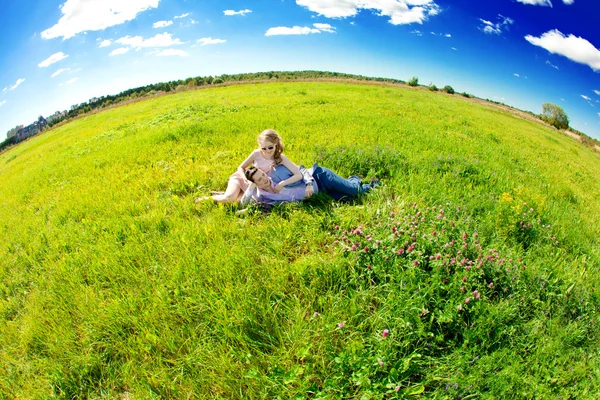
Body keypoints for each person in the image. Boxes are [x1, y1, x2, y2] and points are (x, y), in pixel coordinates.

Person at [196, 129, 302, 203]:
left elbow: (298, 174)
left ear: (276, 144)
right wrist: (245, 179)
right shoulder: (256, 153)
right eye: (263, 148)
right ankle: (205, 199)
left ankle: (224, 193)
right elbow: (240, 167)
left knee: (237, 202)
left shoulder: (280, 157)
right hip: (244, 179)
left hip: (258, 185)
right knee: (229, 199)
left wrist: (283, 183)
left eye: (270, 147)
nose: (267, 151)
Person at [241, 162, 379, 206]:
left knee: (357, 192)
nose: (265, 179)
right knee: (350, 199)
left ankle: (357, 180)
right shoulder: (263, 196)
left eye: (263, 174)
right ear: (254, 184)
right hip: (321, 192)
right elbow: (244, 203)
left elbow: (301, 169)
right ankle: (356, 184)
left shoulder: (277, 173)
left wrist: (309, 184)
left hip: (320, 177)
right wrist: (251, 186)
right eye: (259, 179)